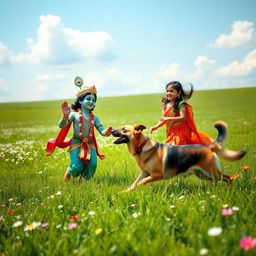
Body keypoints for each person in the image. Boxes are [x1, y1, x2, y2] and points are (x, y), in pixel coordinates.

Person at [45, 78, 112, 182]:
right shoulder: (74, 115)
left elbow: (101, 129)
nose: (91, 102)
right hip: (76, 143)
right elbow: (62, 125)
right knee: (76, 167)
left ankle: (82, 182)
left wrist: (106, 132)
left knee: (92, 164)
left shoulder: (95, 118)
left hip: (90, 144)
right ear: (80, 100)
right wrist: (65, 117)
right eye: (88, 99)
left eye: (93, 100)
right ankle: (69, 171)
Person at [149, 81, 213, 145]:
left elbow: (183, 118)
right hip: (171, 131)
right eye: (167, 91)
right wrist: (155, 127)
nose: (168, 93)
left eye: (171, 91)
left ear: (179, 93)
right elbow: (163, 119)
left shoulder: (181, 104)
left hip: (182, 131)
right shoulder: (166, 106)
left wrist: (168, 119)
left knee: (177, 146)